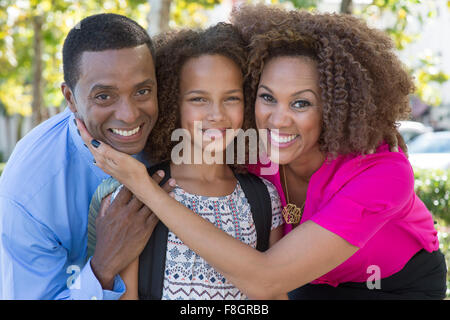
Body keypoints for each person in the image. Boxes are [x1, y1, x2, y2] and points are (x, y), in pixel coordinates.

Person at [77, 4, 447, 299]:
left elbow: (266, 281)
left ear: (335, 107)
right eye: (267, 97)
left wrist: (145, 189)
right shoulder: (248, 148)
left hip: (392, 285)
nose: (278, 120)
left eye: (301, 104)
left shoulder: (382, 173)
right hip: (306, 282)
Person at [88, 23, 285, 300]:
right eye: (198, 99)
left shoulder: (264, 197)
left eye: (231, 98)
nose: (216, 114)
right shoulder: (135, 197)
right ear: (172, 104)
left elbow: (273, 293)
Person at [0, 13, 172, 299]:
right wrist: (103, 267)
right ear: (70, 98)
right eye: (104, 96)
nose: (129, 115)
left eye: (142, 91)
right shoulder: (27, 194)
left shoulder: (177, 132)